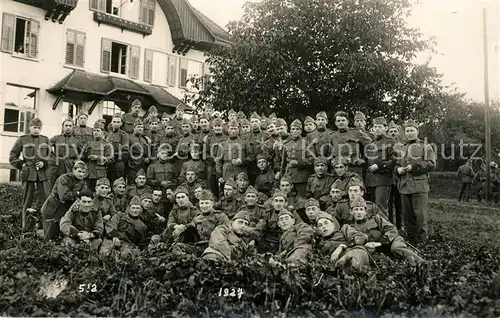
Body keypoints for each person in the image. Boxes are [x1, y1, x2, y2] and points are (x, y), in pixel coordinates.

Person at [395, 119, 436, 244]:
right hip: (404, 185)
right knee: (407, 215)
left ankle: (422, 240)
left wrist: (413, 167)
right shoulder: (401, 148)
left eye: (412, 130)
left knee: (420, 215)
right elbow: (397, 165)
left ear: (417, 131)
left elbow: (431, 164)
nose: (409, 133)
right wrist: (399, 170)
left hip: (419, 185)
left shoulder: (425, 146)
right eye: (407, 131)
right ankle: (410, 239)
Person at [349, 197, 425, 264]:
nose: (359, 212)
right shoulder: (351, 228)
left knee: (396, 248)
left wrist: (379, 243)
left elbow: (392, 229)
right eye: (356, 209)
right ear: (351, 212)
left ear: (365, 212)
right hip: (378, 250)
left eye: (361, 209)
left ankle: (422, 263)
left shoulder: (376, 219)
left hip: (392, 240)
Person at [9, 117, 52, 231]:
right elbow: (13, 156)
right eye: (34, 127)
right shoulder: (22, 139)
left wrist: (44, 163)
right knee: (27, 200)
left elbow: (51, 156)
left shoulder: (45, 140)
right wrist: (22, 165)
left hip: (42, 173)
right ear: (30, 127)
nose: (37, 130)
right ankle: (26, 228)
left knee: (45, 200)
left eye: (39, 128)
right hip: (28, 173)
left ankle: (45, 227)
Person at [41, 160, 88, 239]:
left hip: (64, 210)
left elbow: (84, 195)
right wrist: (77, 193)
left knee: (62, 235)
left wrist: (76, 194)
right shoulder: (64, 178)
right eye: (79, 171)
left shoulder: (83, 182)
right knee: (50, 236)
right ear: (73, 170)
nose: (81, 174)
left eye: (83, 172)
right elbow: (63, 196)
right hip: (53, 208)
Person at [364, 117, 395, 217]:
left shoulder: (391, 142)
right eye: (375, 126)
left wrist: (380, 166)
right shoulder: (371, 143)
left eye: (380, 126)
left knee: (381, 207)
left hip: (383, 179)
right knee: (371, 207)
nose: (377, 129)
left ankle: (385, 230)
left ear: (385, 128)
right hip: (370, 180)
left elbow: (395, 160)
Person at [275, 119, 313, 197]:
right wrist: (282, 175)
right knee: (289, 199)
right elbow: (283, 162)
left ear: (301, 131)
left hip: (302, 178)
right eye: (293, 129)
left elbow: (311, 159)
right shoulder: (287, 144)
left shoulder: (306, 143)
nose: (295, 131)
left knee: (301, 199)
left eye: (297, 129)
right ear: (290, 130)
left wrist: (298, 163)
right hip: (289, 177)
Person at [49, 117, 83, 187]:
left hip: (70, 167)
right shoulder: (56, 138)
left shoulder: (76, 141)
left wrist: (76, 161)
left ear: (73, 127)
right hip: (57, 167)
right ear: (63, 127)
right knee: (55, 186)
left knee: (69, 186)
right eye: (66, 125)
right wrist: (52, 157)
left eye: (70, 126)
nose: (68, 127)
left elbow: (82, 153)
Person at [84, 121, 113, 190]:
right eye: (94, 130)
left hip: (100, 174)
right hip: (88, 173)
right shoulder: (89, 143)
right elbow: (84, 157)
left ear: (102, 132)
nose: (96, 132)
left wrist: (97, 158)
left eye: (98, 130)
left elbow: (110, 159)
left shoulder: (107, 144)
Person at [106, 113, 130, 185]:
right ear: (111, 122)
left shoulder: (124, 135)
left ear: (121, 123)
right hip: (108, 163)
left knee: (116, 182)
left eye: (118, 122)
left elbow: (125, 150)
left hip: (118, 163)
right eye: (114, 122)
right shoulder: (108, 134)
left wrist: (115, 157)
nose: (116, 124)